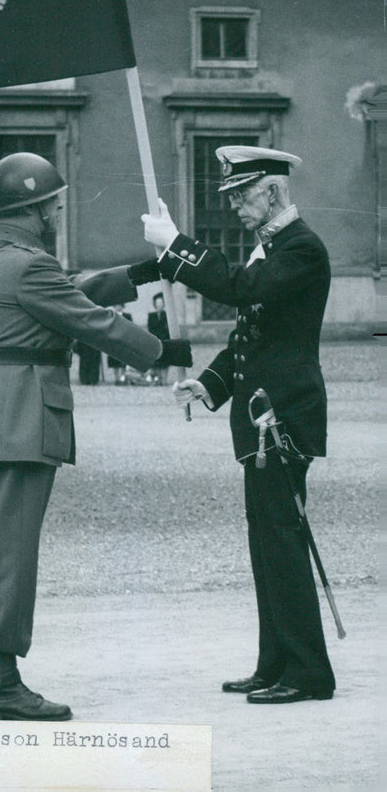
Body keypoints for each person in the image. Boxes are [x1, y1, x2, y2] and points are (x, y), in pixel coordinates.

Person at [0, 152, 193, 721]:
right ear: (36, 209)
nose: (58, 213)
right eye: (53, 206)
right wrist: (164, 352)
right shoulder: (28, 265)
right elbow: (88, 319)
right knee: (9, 551)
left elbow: (70, 289)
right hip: (20, 415)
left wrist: (141, 272)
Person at [142, 144, 336, 706]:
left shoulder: (301, 250)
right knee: (266, 544)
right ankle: (276, 663)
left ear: (272, 191)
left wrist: (177, 246)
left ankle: (309, 673)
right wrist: (210, 384)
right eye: (230, 196)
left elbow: (241, 291)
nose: (234, 206)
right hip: (260, 414)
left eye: (242, 195)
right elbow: (250, 336)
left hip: (285, 416)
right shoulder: (272, 248)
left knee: (282, 539)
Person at [106, 303, 134, 384]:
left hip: (124, 340)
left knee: (123, 360)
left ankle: (122, 377)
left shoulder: (127, 316)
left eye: (120, 305)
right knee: (114, 360)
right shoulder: (111, 315)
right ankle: (116, 378)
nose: (118, 307)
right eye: (117, 305)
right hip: (113, 340)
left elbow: (131, 327)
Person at [146, 292, 170, 385]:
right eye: (157, 303)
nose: (159, 305)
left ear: (163, 304)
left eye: (161, 303)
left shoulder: (166, 315)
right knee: (157, 361)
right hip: (155, 340)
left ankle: (164, 380)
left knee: (165, 361)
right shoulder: (151, 316)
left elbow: (168, 328)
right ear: (155, 304)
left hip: (165, 340)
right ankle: (158, 379)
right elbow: (150, 328)